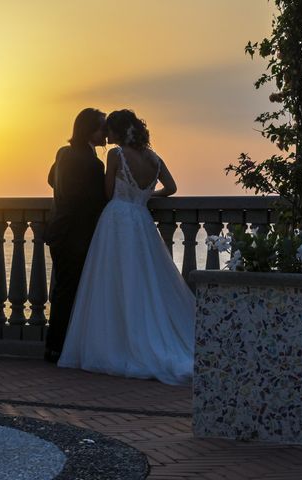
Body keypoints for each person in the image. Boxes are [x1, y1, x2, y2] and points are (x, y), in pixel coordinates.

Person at [57, 109, 194, 385]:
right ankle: (140, 337)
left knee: (112, 281)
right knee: (143, 282)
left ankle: (118, 342)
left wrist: (126, 195)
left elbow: (108, 192)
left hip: (117, 219)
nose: (106, 135)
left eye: (109, 130)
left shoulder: (115, 156)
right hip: (141, 220)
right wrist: (145, 196)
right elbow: (172, 187)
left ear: (118, 132)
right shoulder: (154, 158)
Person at [43, 108, 108, 363]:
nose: (105, 132)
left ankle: (55, 347)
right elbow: (96, 199)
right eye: (102, 127)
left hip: (59, 230)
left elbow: (51, 180)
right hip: (76, 235)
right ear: (90, 130)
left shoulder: (64, 153)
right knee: (70, 292)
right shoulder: (92, 163)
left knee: (62, 290)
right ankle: (60, 348)